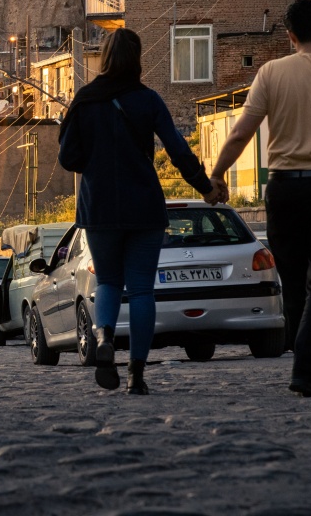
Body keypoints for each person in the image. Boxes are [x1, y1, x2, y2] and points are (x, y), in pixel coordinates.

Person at [58, 28, 224, 395]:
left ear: (104, 58)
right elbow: (178, 150)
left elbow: (68, 157)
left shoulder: (84, 101)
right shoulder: (148, 100)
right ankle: (136, 374)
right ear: (137, 60)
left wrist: (97, 162)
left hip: (99, 208)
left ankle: (104, 338)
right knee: (141, 291)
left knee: (107, 282)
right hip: (144, 207)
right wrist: (205, 188)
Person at [209, 0, 311, 398]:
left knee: (292, 281)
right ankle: (307, 364)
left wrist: (217, 175)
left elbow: (240, 133)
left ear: (290, 36)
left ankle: (306, 364)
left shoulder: (271, 73)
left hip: (285, 189)